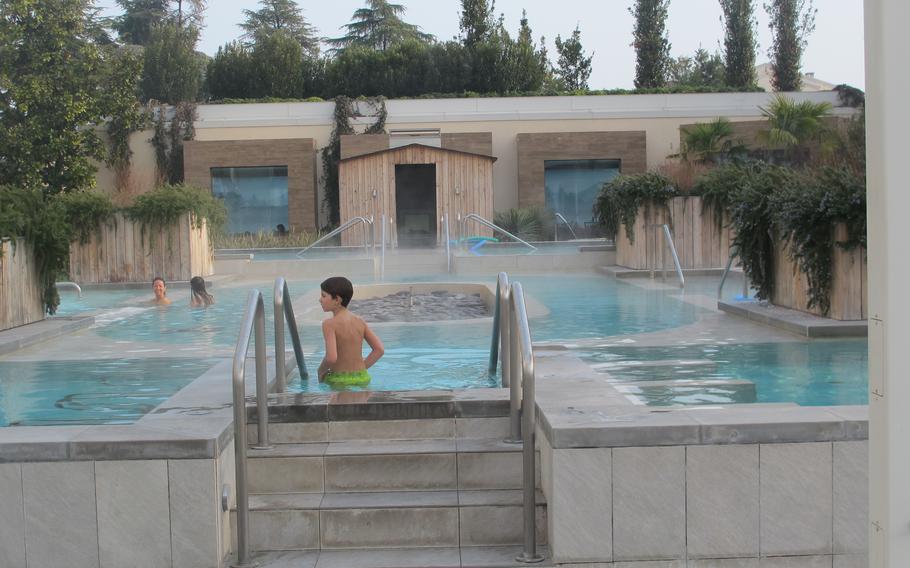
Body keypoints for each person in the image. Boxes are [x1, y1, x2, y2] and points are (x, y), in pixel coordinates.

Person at [317, 276, 384, 388]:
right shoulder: (360, 321)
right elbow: (379, 350)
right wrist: (362, 368)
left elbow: (331, 358)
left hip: (338, 380)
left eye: (323, 296)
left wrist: (320, 371)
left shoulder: (329, 324)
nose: (320, 299)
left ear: (337, 300)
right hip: (362, 377)